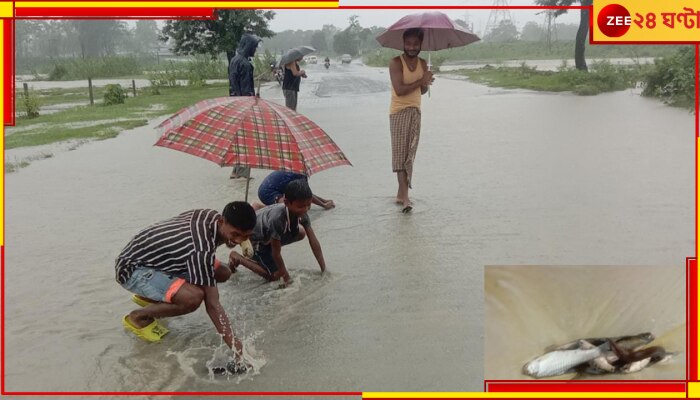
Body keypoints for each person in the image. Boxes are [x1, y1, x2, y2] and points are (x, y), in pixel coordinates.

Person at [115, 201, 257, 362]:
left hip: (161, 258)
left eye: (246, 236)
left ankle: (152, 297)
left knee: (223, 273)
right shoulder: (200, 250)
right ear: (221, 222)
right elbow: (213, 306)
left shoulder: (211, 216)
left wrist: (241, 237)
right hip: (132, 269)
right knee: (193, 298)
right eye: (235, 234)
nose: (239, 241)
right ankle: (138, 317)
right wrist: (238, 349)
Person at [231, 179, 327, 287]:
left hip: (269, 233)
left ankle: (266, 252)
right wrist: (284, 275)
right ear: (286, 203)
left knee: (301, 233)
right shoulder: (277, 219)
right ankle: (239, 258)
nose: (305, 209)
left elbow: (313, 240)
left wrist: (324, 269)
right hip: (254, 238)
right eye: (301, 206)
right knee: (275, 277)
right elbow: (276, 253)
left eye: (308, 205)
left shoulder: (302, 213)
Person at [388, 28, 434, 213]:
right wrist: (420, 80)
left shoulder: (424, 63)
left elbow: (421, 92)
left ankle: (401, 194)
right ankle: (406, 198)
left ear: (421, 44)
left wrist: (426, 82)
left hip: (416, 111)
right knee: (400, 156)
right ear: (403, 43)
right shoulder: (395, 63)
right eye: (408, 43)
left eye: (415, 44)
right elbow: (399, 89)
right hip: (398, 112)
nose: (412, 47)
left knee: (410, 155)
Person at [228, 33, 262, 179]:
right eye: (254, 47)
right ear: (248, 46)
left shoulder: (234, 60)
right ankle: (242, 174)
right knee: (246, 139)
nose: (255, 50)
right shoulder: (245, 64)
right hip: (245, 105)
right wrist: (254, 101)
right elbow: (247, 89)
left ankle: (236, 171)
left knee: (238, 137)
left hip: (235, 103)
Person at [253, 170, 335, 210]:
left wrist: (324, 201)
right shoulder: (300, 174)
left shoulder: (295, 169)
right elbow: (307, 195)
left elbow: (307, 194)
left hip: (267, 188)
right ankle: (259, 207)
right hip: (268, 192)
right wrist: (324, 205)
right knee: (286, 209)